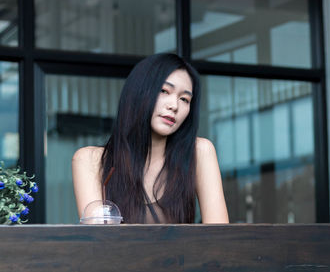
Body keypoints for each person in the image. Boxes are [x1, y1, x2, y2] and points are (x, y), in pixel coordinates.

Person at [72, 53, 229, 224]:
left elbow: (219, 238)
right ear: (138, 92)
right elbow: (97, 241)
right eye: (164, 91)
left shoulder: (199, 151)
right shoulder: (90, 160)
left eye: (184, 99)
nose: (174, 106)